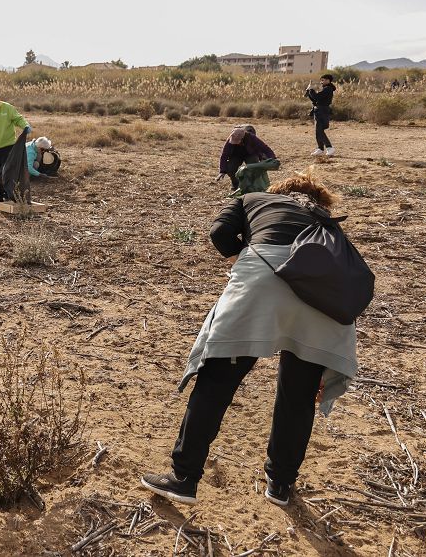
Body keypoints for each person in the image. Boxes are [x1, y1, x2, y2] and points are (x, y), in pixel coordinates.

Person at [141, 169, 357, 507]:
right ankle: (280, 486)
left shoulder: (252, 199)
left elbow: (219, 232)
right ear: (319, 202)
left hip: (260, 282)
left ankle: (183, 479)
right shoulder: (326, 221)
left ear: (278, 191)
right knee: (298, 398)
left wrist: (243, 254)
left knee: (216, 382)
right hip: (323, 302)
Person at [217, 125, 277, 191]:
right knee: (231, 168)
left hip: (250, 154)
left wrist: (272, 157)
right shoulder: (230, 140)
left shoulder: (251, 137)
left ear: (242, 138)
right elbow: (224, 155)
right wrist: (222, 171)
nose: (236, 143)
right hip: (236, 155)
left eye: (237, 141)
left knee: (254, 166)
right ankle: (235, 184)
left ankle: (253, 185)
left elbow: (264, 148)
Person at [305, 74, 336, 157]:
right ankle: (320, 148)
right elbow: (315, 99)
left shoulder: (328, 89)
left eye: (324, 80)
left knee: (319, 130)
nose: (322, 82)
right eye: (321, 80)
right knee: (318, 131)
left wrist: (311, 90)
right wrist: (309, 91)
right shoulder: (326, 89)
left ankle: (329, 147)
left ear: (329, 80)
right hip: (319, 111)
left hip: (322, 111)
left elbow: (317, 97)